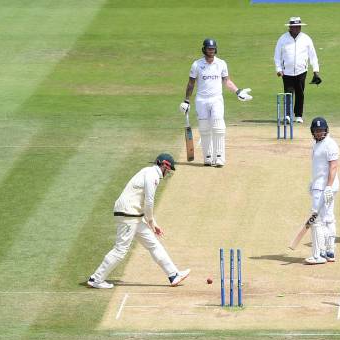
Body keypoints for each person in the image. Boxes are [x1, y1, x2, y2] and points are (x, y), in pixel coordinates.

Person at [87, 154, 191, 289]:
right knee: (120, 250)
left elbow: (141, 202)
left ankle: (173, 275)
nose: (168, 172)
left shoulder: (148, 172)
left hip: (133, 215)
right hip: (128, 214)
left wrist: (153, 224)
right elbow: (149, 201)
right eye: (169, 169)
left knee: (153, 244)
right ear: (164, 165)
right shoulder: (152, 175)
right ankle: (96, 279)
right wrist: (151, 221)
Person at [179, 38, 252, 167]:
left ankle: (219, 157)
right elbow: (191, 83)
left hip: (216, 99)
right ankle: (207, 157)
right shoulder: (197, 64)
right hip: (201, 100)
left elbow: (227, 81)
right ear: (204, 50)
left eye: (213, 49)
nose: (211, 51)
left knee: (218, 127)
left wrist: (238, 91)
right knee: (204, 128)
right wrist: (186, 100)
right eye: (209, 49)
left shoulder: (221, 63)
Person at [274, 17, 321, 124]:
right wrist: (278, 68)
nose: (296, 29)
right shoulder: (283, 39)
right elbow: (277, 55)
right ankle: (287, 115)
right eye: (294, 27)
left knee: (300, 93)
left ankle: (298, 115)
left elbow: (313, 56)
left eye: (298, 27)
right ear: (290, 27)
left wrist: (316, 71)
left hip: (301, 71)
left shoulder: (306, 39)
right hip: (287, 72)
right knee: (288, 93)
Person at [306, 117, 339, 264]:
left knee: (316, 220)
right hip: (319, 185)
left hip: (324, 188)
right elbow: (319, 168)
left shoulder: (330, 144)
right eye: (317, 131)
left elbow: (333, 167)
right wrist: (312, 183)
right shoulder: (316, 144)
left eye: (321, 130)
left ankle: (318, 255)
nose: (319, 133)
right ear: (313, 132)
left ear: (326, 130)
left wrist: (329, 187)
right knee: (328, 218)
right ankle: (330, 252)